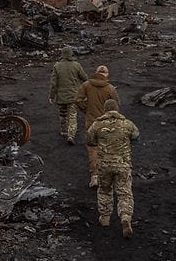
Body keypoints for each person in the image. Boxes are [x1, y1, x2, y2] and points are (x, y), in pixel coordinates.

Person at [86, 99, 139, 238]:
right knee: (124, 192)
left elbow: (89, 140)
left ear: (105, 109)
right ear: (117, 109)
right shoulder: (127, 124)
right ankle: (125, 217)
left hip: (104, 165)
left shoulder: (97, 124)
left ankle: (105, 218)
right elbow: (136, 136)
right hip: (123, 164)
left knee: (104, 190)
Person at [75, 65, 119, 187]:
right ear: (107, 74)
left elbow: (78, 100)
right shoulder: (110, 88)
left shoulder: (86, 85)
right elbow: (116, 106)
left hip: (91, 121)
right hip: (107, 123)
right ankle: (107, 176)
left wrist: (86, 109)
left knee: (92, 148)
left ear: (96, 73)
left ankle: (94, 176)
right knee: (108, 147)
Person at [50, 47, 88, 144]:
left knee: (62, 114)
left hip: (61, 96)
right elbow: (85, 78)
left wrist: (52, 96)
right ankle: (71, 135)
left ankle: (63, 131)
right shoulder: (76, 65)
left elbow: (54, 84)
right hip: (73, 95)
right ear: (71, 54)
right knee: (72, 115)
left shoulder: (56, 66)